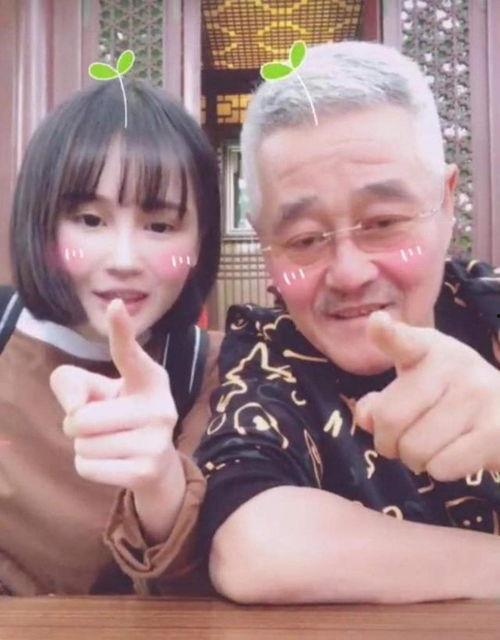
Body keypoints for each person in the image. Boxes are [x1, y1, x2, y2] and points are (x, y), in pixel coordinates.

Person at [195, 41, 500, 604]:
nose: (350, 272)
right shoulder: (267, 355)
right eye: (304, 239)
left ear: (446, 203)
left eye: (383, 222)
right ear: (266, 245)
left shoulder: (488, 309)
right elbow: (256, 547)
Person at [0, 77, 222, 595]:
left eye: (160, 226)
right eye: (90, 219)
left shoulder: (215, 371)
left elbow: (208, 582)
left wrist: (161, 481)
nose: (123, 260)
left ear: (200, 242)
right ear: (41, 224)